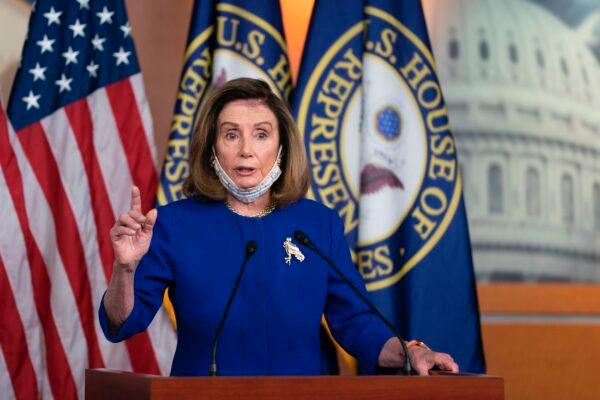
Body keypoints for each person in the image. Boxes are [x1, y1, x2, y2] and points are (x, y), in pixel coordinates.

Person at [100, 77, 459, 376]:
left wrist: (411, 353)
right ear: (212, 149)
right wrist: (125, 269)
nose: (245, 150)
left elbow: (357, 323)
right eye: (230, 135)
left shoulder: (318, 225)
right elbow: (121, 324)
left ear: (282, 148)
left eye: (261, 134)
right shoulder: (174, 224)